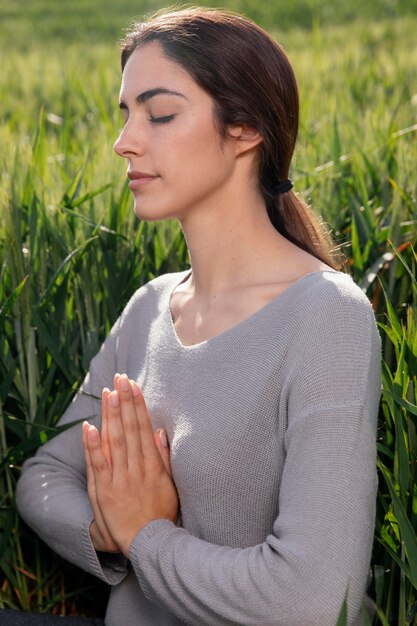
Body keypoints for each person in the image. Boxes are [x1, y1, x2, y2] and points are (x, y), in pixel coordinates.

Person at [16, 7, 381, 626]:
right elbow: (44, 475)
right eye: (126, 115)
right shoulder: (149, 308)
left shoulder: (327, 316)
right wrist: (111, 530)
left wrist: (147, 537)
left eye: (159, 114)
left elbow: (315, 601)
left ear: (244, 128)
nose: (124, 141)